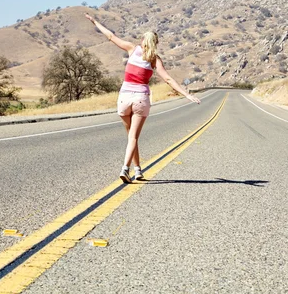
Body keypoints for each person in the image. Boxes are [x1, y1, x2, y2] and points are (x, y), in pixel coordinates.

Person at [85, 14, 201, 183]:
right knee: (133, 137)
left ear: (142, 40)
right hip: (140, 99)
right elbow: (168, 79)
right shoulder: (155, 59)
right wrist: (186, 94)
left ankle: (138, 170)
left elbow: (110, 36)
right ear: (156, 43)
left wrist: (95, 22)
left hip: (124, 98)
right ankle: (125, 169)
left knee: (131, 137)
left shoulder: (132, 49)